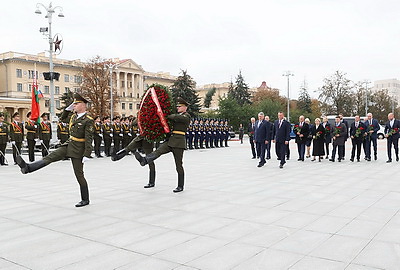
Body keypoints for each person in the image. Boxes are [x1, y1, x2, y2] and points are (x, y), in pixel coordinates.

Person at [16, 93, 94, 207]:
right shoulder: (73, 116)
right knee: (50, 157)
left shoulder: (88, 120)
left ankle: (85, 199)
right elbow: (62, 119)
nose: (74, 106)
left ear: (83, 105)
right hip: (68, 144)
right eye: (74, 104)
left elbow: (89, 138)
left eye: (76, 104)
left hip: (78, 149)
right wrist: (67, 110)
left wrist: (87, 154)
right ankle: (28, 168)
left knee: (79, 175)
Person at [134, 97, 191, 193]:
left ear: (185, 107)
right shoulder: (176, 115)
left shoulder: (186, 116)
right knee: (158, 151)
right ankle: (145, 160)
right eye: (177, 106)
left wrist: (168, 115)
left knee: (178, 165)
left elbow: (176, 117)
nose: (177, 107)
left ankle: (180, 185)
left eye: (179, 106)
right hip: (170, 140)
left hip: (178, 143)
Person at [111, 119, 156, 188]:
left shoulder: (152, 115)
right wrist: (139, 116)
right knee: (128, 147)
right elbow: (133, 124)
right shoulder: (141, 115)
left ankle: (151, 181)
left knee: (150, 160)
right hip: (139, 138)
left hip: (148, 139)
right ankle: (117, 156)